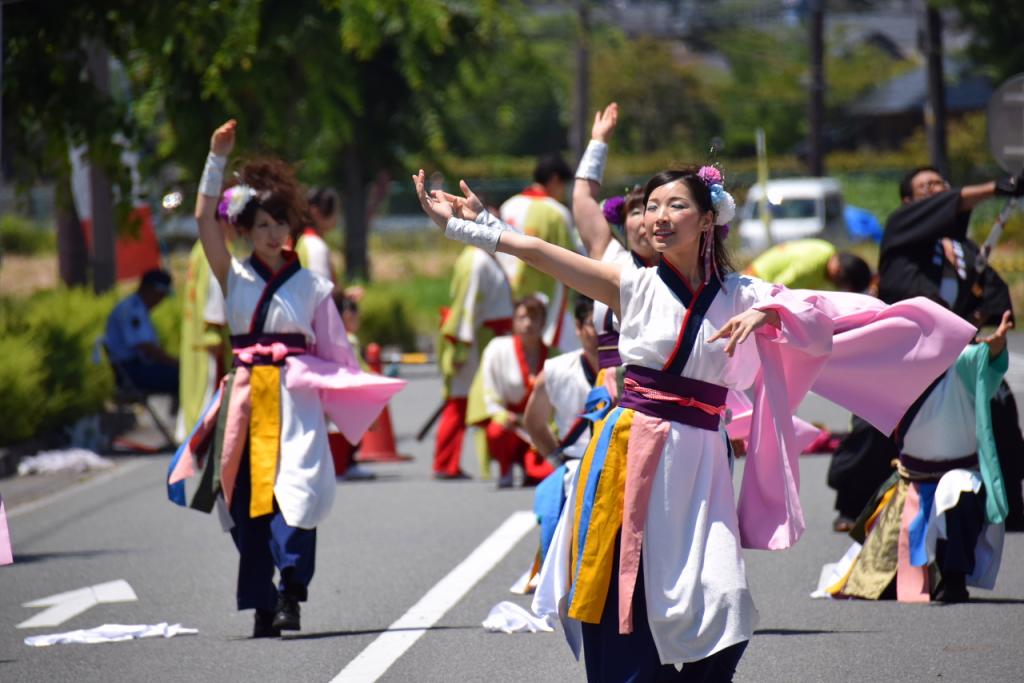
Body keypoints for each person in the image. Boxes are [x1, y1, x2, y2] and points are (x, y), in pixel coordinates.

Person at [413, 165, 973, 680]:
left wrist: (770, 312)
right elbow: (539, 252)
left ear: (708, 219)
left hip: (701, 458)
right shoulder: (631, 283)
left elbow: (831, 312)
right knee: (624, 590)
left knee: (726, 601)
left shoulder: (743, 293)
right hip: (631, 447)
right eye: (652, 206)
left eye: (675, 205)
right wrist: (470, 227)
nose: (657, 217)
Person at [168, 120, 405, 638]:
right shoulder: (232, 275)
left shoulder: (313, 286)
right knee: (244, 500)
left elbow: (337, 355)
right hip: (244, 400)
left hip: (296, 401)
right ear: (244, 230)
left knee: (299, 494)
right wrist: (216, 158)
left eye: (280, 223)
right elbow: (203, 218)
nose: (273, 234)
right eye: (262, 225)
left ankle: (291, 591)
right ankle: (263, 601)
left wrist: (351, 403)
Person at [854, 165, 1024, 531]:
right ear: (908, 201)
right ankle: (861, 508)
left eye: (940, 183)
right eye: (925, 187)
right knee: (877, 432)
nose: (935, 189)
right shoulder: (900, 228)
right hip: (912, 354)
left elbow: (993, 296)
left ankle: (1007, 503)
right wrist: (997, 188)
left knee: (999, 408)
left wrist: (985, 317)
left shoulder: (964, 251)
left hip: (959, 355)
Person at [820, 312, 1013, 603]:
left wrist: (997, 346)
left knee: (957, 493)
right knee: (879, 585)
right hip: (911, 483)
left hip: (958, 475)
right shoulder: (901, 368)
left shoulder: (961, 363)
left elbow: (986, 358)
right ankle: (926, 577)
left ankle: (954, 578)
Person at [573, 103, 657, 384]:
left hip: (658, 393)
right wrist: (598, 142)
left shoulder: (686, 269)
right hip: (608, 391)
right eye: (636, 212)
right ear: (623, 222)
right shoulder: (611, 256)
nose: (644, 220)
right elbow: (583, 198)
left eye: (652, 210)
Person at [522, 296, 600, 586]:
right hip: (575, 466)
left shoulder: (634, 366)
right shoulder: (556, 370)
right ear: (578, 327)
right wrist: (557, 459)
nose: (600, 332)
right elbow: (534, 422)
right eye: (592, 324)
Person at [434, 204, 515, 480]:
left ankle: (455, 462)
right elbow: (466, 307)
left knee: (472, 400)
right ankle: (446, 462)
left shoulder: (485, 257)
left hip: (484, 337)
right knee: (463, 400)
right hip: (475, 340)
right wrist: (460, 348)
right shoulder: (477, 261)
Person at [499, 154, 581, 351]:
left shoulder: (508, 206)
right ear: (554, 179)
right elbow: (573, 258)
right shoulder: (557, 212)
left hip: (508, 296)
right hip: (545, 301)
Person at [475, 295, 554, 488]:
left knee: (545, 475)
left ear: (543, 322)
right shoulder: (497, 349)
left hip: (541, 428)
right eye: (522, 318)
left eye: (534, 317)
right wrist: (502, 414)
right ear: (514, 321)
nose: (528, 324)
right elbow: (488, 390)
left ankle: (531, 467)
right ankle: (505, 467)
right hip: (511, 426)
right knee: (497, 430)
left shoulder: (556, 355)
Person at [177, 189, 236, 441]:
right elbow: (215, 308)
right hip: (212, 345)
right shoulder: (215, 251)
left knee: (197, 404)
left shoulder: (198, 249)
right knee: (209, 409)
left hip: (197, 343)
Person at [104, 268, 179, 394]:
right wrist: (175, 363)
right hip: (133, 371)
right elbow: (146, 347)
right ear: (150, 290)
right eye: (160, 295)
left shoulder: (135, 307)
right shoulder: (133, 310)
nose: (161, 300)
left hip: (136, 368)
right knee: (183, 376)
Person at [745, 238, 873, 293]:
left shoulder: (827, 256)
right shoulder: (815, 262)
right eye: (841, 285)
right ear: (839, 271)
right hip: (757, 279)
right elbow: (778, 287)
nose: (837, 287)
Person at [295, 187, 339, 282]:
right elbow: (321, 288)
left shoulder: (303, 240)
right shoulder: (316, 246)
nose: (336, 215)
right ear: (316, 213)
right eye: (334, 210)